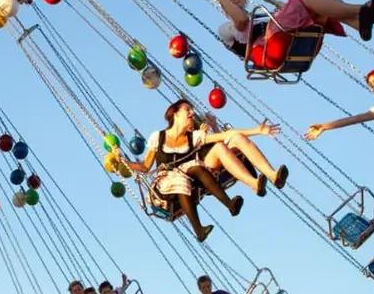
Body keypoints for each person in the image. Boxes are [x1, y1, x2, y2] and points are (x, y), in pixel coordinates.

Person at [124, 100, 244, 243]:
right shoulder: (158, 137)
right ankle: (198, 229)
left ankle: (230, 204)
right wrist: (125, 163)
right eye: (187, 110)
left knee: (198, 167)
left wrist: (255, 131)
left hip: (184, 172)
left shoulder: (192, 138)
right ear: (175, 114)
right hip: (165, 181)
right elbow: (145, 166)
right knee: (180, 180)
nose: (191, 114)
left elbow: (215, 142)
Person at [215, 0, 374, 60]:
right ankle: (361, 11)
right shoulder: (226, 28)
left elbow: (289, 12)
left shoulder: (262, 16)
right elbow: (241, 20)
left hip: (294, 39)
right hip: (271, 49)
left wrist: (271, 0)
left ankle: (358, 23)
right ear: (224, 6)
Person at [196, 112, 289, 197]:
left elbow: (227, 135)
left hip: (217, 156)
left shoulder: (204, 136)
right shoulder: (190, 136)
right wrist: (200, 136)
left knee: (237, 138)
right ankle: (253, 184)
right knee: (219, 147)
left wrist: (257, 131)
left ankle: (273, 176)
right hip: (204, 166)